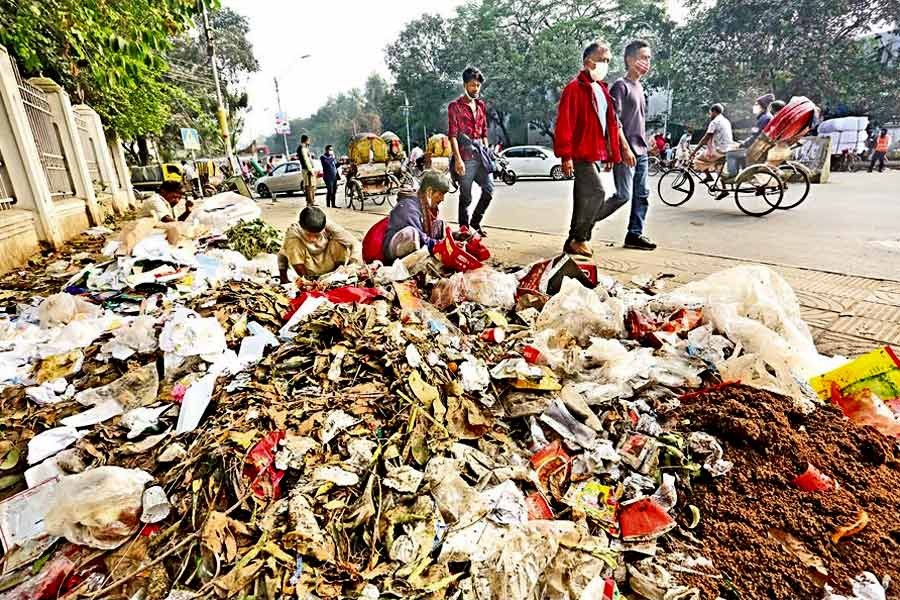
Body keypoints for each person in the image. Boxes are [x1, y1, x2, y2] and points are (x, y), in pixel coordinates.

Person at [553, 40, 626, 258]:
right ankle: (580, 237)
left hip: (594, 153)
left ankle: (573, 239)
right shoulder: (574, 89)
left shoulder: (602, 90)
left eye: (608, 61)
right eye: (602, 60)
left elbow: (610, 124)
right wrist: (565, 156)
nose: (606, 65)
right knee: (597, 193)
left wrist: (612, 153)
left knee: (582, 198)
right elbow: (564, 123)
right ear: (588, 62)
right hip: (579, 153)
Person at [610, 40, 654, 251]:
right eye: (643, 58)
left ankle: (634, 234)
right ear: (629, 59)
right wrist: (625, 148)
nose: (647, 62)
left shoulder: (639, 86)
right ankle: (584, 226)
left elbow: (637, 120)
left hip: (642, 151)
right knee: (622, 195)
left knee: (642, 194)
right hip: (626, 151)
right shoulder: (620, 85)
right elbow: (613, 120)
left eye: (648, 59)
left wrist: (648, 142)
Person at [448, 66, 493, 236]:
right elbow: (452, 135)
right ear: (465, 85)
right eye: (473, 85)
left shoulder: (481, 105)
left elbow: (484, 132)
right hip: (465, 157)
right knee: (466, 197)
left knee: (488, 190)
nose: (476, 89)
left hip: (481, 156)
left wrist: (487, 150)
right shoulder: (455, 107)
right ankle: (464, 228)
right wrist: (458, 160)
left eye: (478, 85)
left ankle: (475, 222)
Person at [382, 170, 451, 263]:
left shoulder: (424, 204)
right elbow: (420, 238)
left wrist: (455, 237)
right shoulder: (408, 207)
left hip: (416, 241)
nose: (442, 199)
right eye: (440, 194)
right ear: (429, 191)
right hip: (394, 249)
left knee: (440, 224)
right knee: (412, 234)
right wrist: (442, 245)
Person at [277, 206, 360, 283]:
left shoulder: (329, 226)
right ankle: (307, 280)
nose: (312, 239)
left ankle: (337, 276)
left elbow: (354, 243)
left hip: (330, 265)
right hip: (308, 268)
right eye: (309, 234)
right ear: (302, 227)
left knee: (339, 242)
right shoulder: (293, 232)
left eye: (317, 235)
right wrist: (283, 277)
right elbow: (282, 253)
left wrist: (352, 263)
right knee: (293, 244)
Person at [690, 103, 736, 198]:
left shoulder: (715, 122)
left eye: (710, 113)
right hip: (728, 148)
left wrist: (694, 151)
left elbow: (706, 138)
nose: (710, 115)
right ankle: (724, 190)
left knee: (697, 159)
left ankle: (708, 176)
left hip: (719, 150)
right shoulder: (726, 121)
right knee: (718, 167)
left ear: (714, 112)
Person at [297, 135, 317, 206]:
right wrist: (310, 170)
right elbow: (306, 160)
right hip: (307, 169)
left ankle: (311, 201)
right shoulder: (302, 148)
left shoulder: (305, 148)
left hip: (308, 168)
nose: (309, 142)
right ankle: (310, 202)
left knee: (312, 186)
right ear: (306, 140)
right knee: (309, 186)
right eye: (309, 140)